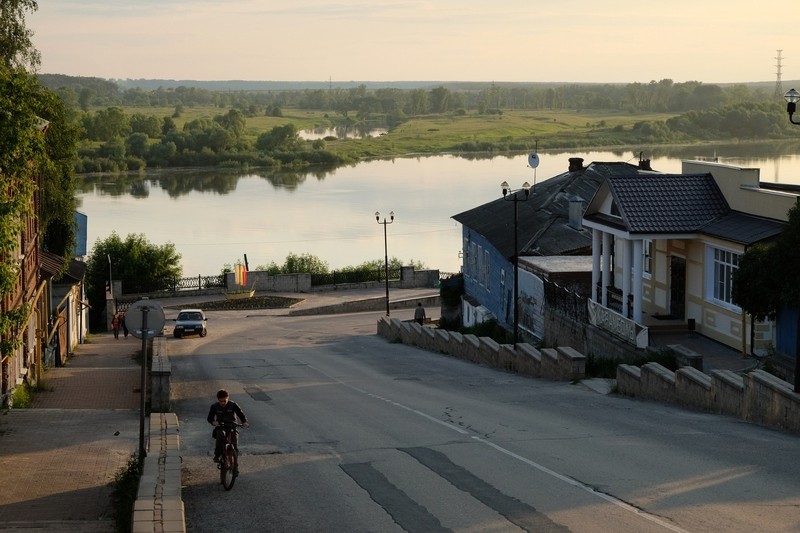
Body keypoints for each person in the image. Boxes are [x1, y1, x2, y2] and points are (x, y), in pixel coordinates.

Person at [207, 389, 249, 463]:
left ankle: (235, 467)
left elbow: (240, 414)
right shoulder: (214, 406)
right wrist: (213, 422)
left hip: (232, 426)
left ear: (228, 398)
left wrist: (244, 422)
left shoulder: (233, 405)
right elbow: (210, 418)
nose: (223, 403)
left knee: (234, 444)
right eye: (221, 401)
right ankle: (217, 455)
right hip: (221, 426)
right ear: (218, 399)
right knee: (220, 436)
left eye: (224, 401)